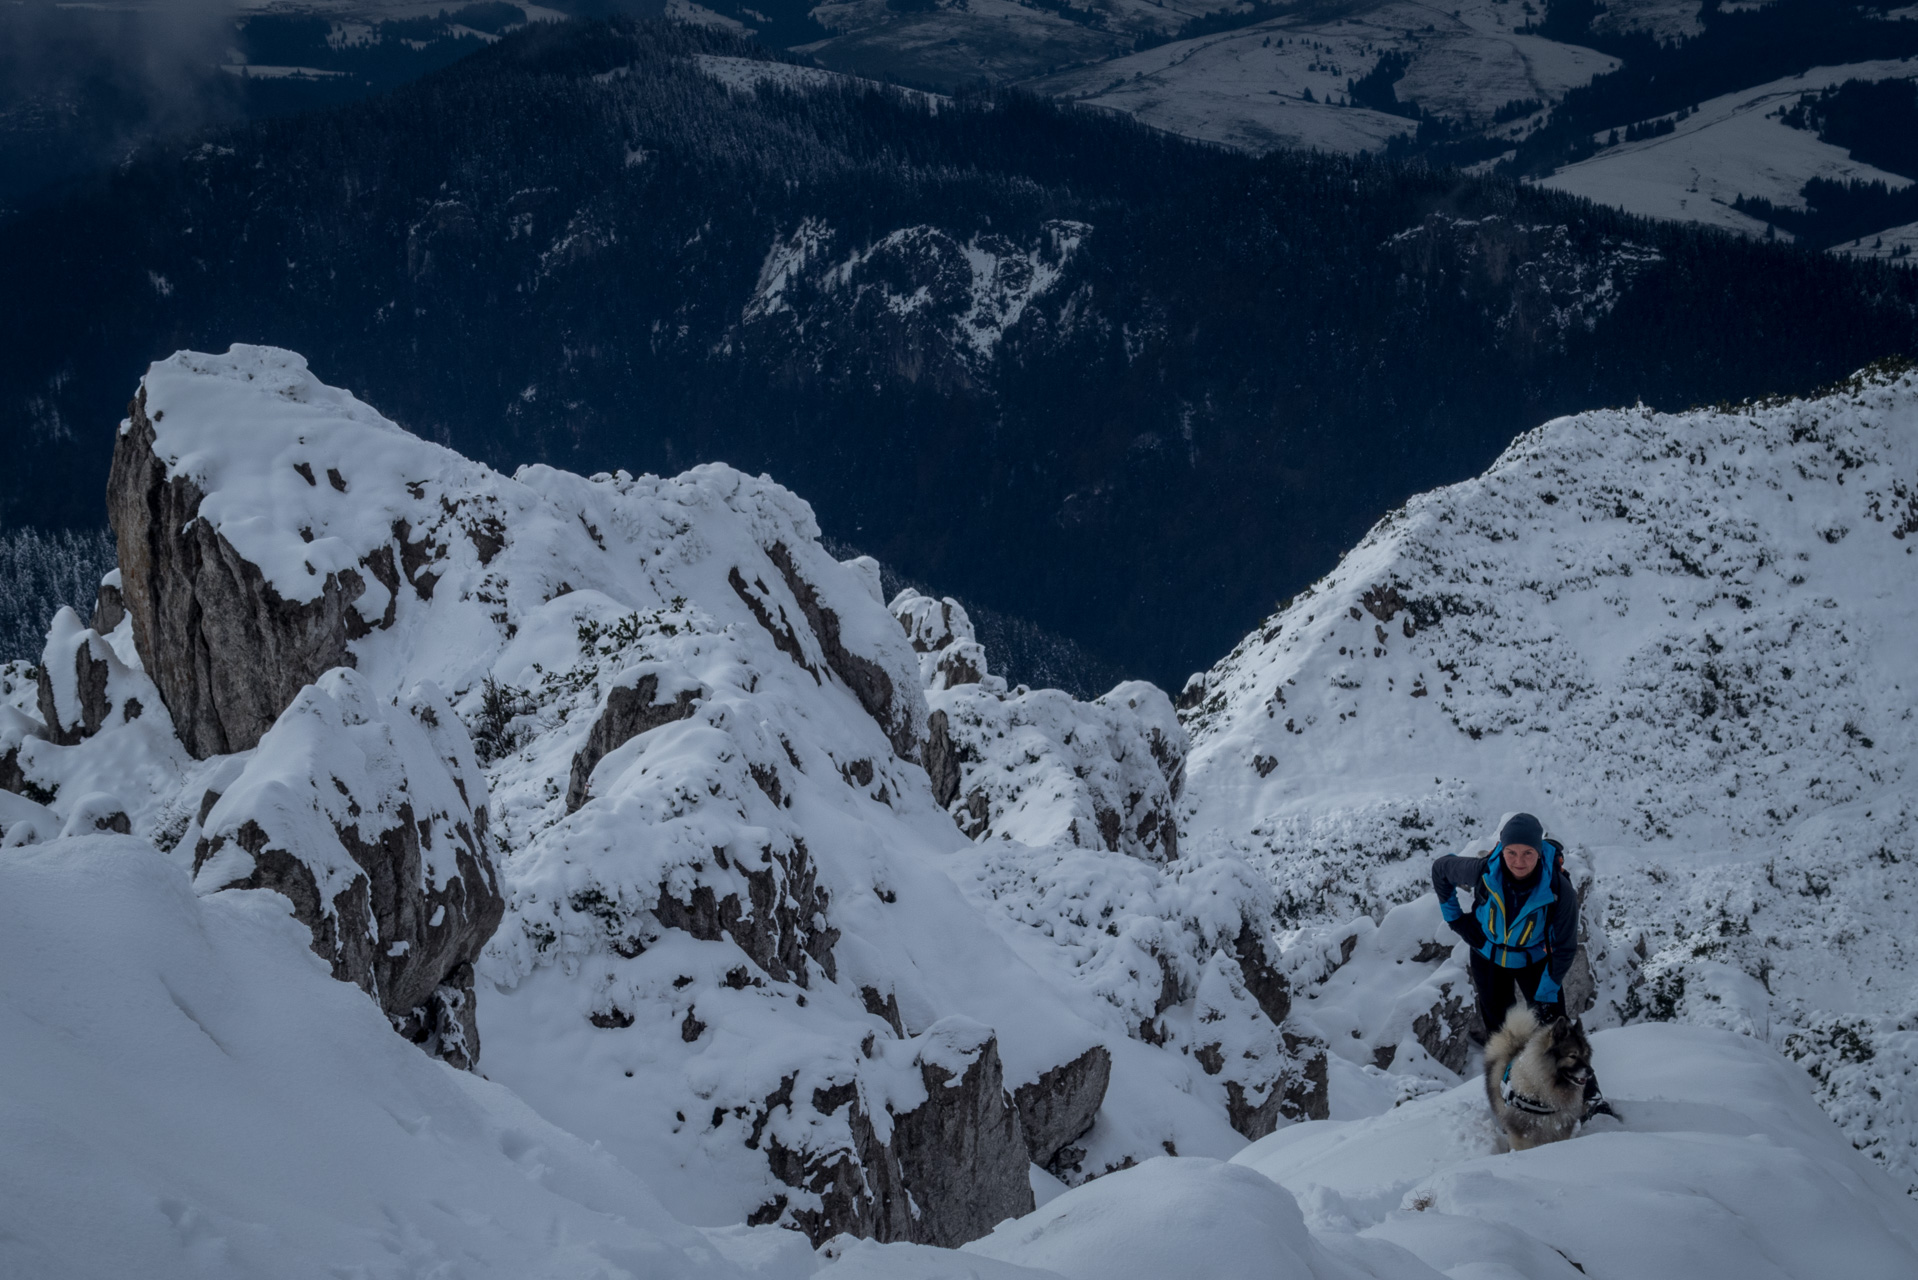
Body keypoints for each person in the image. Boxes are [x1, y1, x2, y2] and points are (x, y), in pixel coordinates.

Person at [1431, 812, 1615, 1120]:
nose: (1519, 860)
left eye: (1528, 852)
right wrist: (1456, 921)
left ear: (1538, 851)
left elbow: (1565, 948)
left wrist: (1545, 993)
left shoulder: (1558, 889)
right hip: (1488, 958)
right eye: (1511, 852)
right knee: (1500, 1032)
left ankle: (1589, 1099)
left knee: (1557, 1030)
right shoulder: (1481, 872)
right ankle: (1511, 1095)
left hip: (1535, 962)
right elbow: (1440, 870)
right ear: (1501, 850)